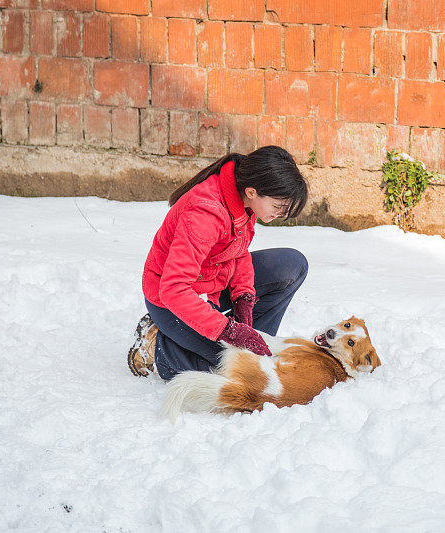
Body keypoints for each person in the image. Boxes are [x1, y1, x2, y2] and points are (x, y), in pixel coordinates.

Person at [127, 146, 309, 380]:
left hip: (210, 284)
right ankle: (158, 348)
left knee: (292, 265)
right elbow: (173, 289)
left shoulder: (243, 197)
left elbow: (238, 250)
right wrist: (229, 331)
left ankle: (254, 345)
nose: (281, 214)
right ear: (253, 191)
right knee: (233, 372)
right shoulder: (205, 214)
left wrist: (243, 297)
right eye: (277, 206)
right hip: (171, 300)